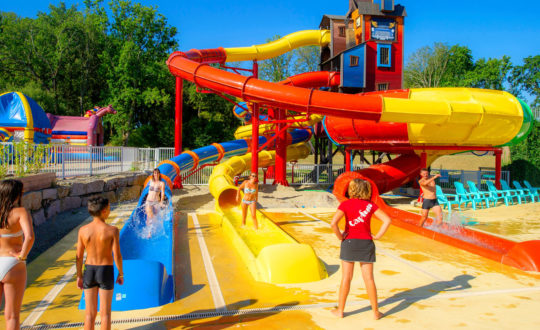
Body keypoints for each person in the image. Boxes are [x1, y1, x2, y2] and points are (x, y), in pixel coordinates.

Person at [330, 178, 391, 320]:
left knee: (346, 277)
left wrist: (340, 237)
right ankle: (375, 312)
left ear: (351, 190)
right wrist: (377, 236)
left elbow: (333, 223)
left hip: (349, 242)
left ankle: (340, 311)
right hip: (366, 243)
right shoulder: (370, 205)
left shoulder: (345, 204)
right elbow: (387, 220)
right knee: (369, 279)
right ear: (367, 191)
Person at [76, 196, 123, 330]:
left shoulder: (83, 230)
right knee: (105, 314)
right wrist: (121, 273)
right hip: (105, 271)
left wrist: (79, 275)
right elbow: (117, 255)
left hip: (89, 271)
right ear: (103, 211)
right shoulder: (112, 230)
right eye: (109, 208)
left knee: (89, 314)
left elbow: (79, 256)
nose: (110, 211)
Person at [0, 179, 34, 330]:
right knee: (12, 315)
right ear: (16, 194)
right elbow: (30, 237)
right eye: (21, 192)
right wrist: (23, 255)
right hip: (12, 265)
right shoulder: (20, 212)